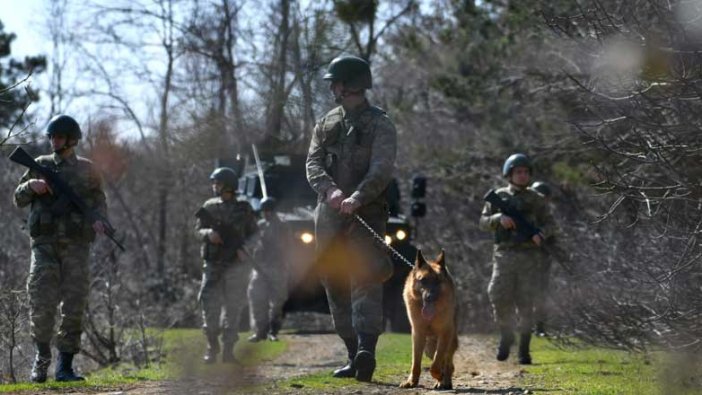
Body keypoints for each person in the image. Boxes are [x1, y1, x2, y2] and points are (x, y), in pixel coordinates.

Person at [306, 54, 397, 382]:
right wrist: (330, 191)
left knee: (366, 277)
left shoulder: (380, 123)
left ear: (349, 84)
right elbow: (313, 163)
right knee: (333, 280)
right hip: (328, 216)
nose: (332, 87)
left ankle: (366, 351)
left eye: (335, 82)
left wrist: (358, 197)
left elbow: (382, 168)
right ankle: (350, 353)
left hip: (367, 214)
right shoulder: (326, 122)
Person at [13, 114, 108, 383]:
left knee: (74, 306)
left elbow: (100, 202)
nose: (54, 141)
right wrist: (31, 185)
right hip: (44, 247)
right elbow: (18, 198)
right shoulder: (39, 165)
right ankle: (41, 361)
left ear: (72, 140)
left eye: (59, 137)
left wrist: (100, 221)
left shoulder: (88, 170)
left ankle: (65, 366)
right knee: (41, 303)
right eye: (51, 137)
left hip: (77, 247)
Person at [479, 153, 555, 365]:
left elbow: (551, 223)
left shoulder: (537, 199)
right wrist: (498, 219)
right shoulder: (499, 196)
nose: (522, 176)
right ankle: (506, 333)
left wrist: (541, 234)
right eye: (518, 172)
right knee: (497, 294)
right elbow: (482, 221)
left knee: (526, 303)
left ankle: (524, 349)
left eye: (525, 172)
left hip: (530, 256)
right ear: (509, 174)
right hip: (504, 254)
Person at [195, 167, 258, 364]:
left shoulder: (244, 208)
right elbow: (197, 230)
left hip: (236, 267)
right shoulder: (209, 206)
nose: (214, 186)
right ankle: (212, 346)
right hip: (213, 264)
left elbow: (254, 235)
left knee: (234, 308)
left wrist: (245, 250)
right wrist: (208, 234)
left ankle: (228, 350)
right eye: (214, 183)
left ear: (228, 186)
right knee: (209, 306)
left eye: (218, 183)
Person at [247, 197, 291, 342]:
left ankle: (273, 331)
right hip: (260, 267)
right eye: (264, 211)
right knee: (256, 298)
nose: (266, 213)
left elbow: (286, 245)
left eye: (268, 211)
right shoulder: (259, 225)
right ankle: (260, 331)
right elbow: (252, 243)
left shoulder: (282, 226)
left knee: (277, 302)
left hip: (277, 267)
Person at [529, 181, 553, 337]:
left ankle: (540, 327)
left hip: (542, 260)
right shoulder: (526, 214)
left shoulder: (547, 217)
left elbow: (553, 232)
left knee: (541, 295)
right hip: (524, 259)